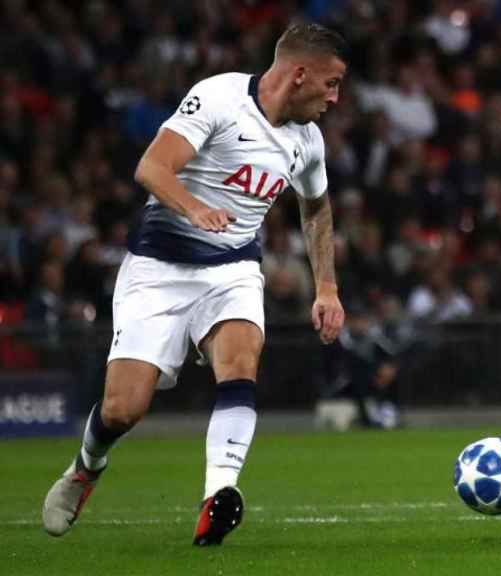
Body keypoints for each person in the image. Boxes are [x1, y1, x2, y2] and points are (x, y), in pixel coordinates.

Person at [42, 23, 348, 545]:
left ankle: (218, 496)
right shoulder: (219, 97)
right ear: (300, 74)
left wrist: (327, 288)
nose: (335, 98)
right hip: (158, 269)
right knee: (123, 408)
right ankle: (86, 468)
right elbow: (153, 167)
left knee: (240, 363)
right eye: (332, 83)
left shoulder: (307, 142)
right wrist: (195, 208)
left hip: (232, 271)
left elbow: (315, 208)